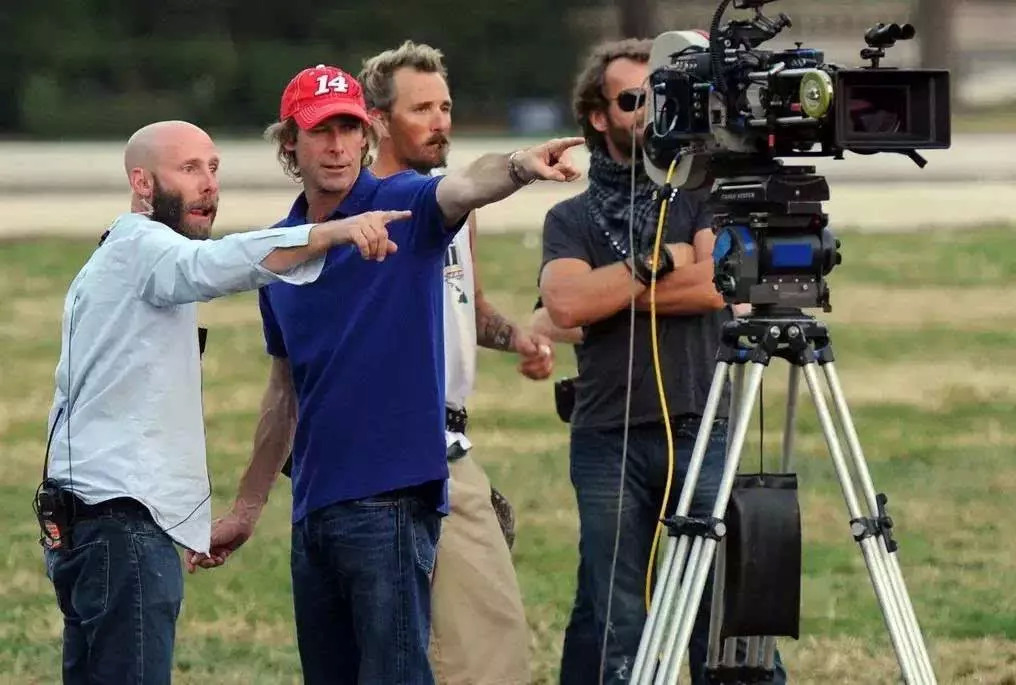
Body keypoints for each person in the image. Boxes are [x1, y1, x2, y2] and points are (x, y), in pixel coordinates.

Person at [189, 64, 582, 684]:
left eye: (349, 129)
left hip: (391, 501)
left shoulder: (404, 205)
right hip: (314, 507)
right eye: (321, 131)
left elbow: (464, 186)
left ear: (368, 136)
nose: (338, 146)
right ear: (289, 143)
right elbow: (284, 390)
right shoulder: (283, 247)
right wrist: (247, 506)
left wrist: (518, 166)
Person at [38, 119, 403, 684]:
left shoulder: (117, 255)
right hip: (119, 527)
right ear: (142, 182)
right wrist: (332, 232)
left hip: (87, 520)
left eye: (213, 168)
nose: (209, 183)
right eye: (188, 169)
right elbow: (212, 265)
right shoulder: (144, 248)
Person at [536, 39, 778, 684]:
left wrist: (611, 295)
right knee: (614, 613)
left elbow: (716, 287)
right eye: (631, 99)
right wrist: (664, 261)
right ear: (598, 116)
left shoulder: (703, 194)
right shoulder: (569, 217)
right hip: (606, 434)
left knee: (723, 605)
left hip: (702, 423)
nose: (650, 111)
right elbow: (565, 305)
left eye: (660, 96)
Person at [359, 40, 555, 685]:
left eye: (444, 106)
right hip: (400, 445)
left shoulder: (453, 209)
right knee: (468, 647)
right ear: (378, 120)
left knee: (483, 634)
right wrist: (522, 165)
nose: (440, 121)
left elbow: (466, 307)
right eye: (421, 109)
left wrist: (518, 337)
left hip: (450, 438)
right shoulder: (366, 210)